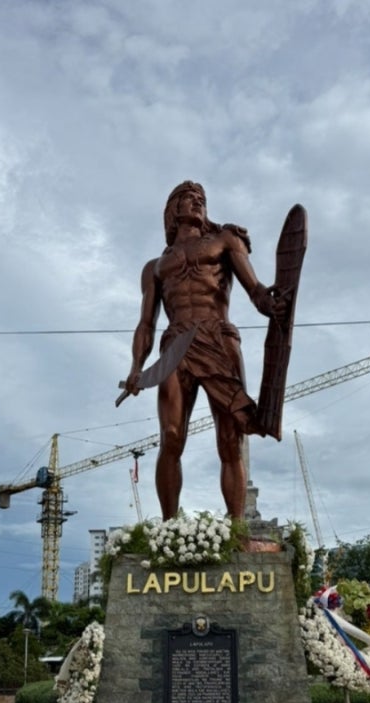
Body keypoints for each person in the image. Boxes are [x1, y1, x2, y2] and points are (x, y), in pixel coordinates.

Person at [124, 181, 284, 519]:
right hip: (174, 347)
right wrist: (136, 367)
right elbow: (145, 323)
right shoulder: (154, 267)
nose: (197, 203)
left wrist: (268, 302)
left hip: (218, 338)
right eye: (188, 198)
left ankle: (237, 526)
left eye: (201, 199)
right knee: (170, 437)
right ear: (173, 210)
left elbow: (253, 288)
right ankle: (170, 526)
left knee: (230, 438)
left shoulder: (225, 240)